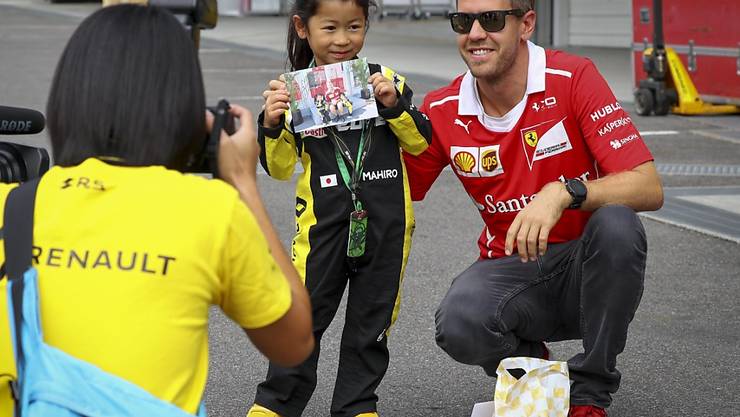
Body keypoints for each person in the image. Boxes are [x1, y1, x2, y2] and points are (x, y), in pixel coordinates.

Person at [0, 5, 313, 416]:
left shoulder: (11, 204)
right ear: (183, 107)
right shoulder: (211, 210)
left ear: (68, 98)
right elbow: (293, 342)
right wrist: (241, 182)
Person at [402, 1, 664, 416]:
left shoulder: (573, 76)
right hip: (514, 270)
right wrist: (351, 122)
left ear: (525, 23)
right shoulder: (442, 108)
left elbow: (647, 185)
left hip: (587, 269)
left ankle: (588, 395)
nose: (474, 34)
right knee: (459, 321)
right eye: (462, 21)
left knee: (618, 223)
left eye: (489, 19)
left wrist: (562, 193)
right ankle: (538, 373)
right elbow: (398, 189)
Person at [249, 0, 432, 416]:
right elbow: (278, 168)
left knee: (372, 322)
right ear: (303, 28)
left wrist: (393, 106)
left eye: (354, 27)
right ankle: (275, 404)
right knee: (302, 317)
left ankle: (357, 405)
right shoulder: (291, 92)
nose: (343, 39)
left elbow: (421, 142)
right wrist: (271, 123)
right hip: (321, 228)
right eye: (329, 28)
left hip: (387, 225)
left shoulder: (387, 81)